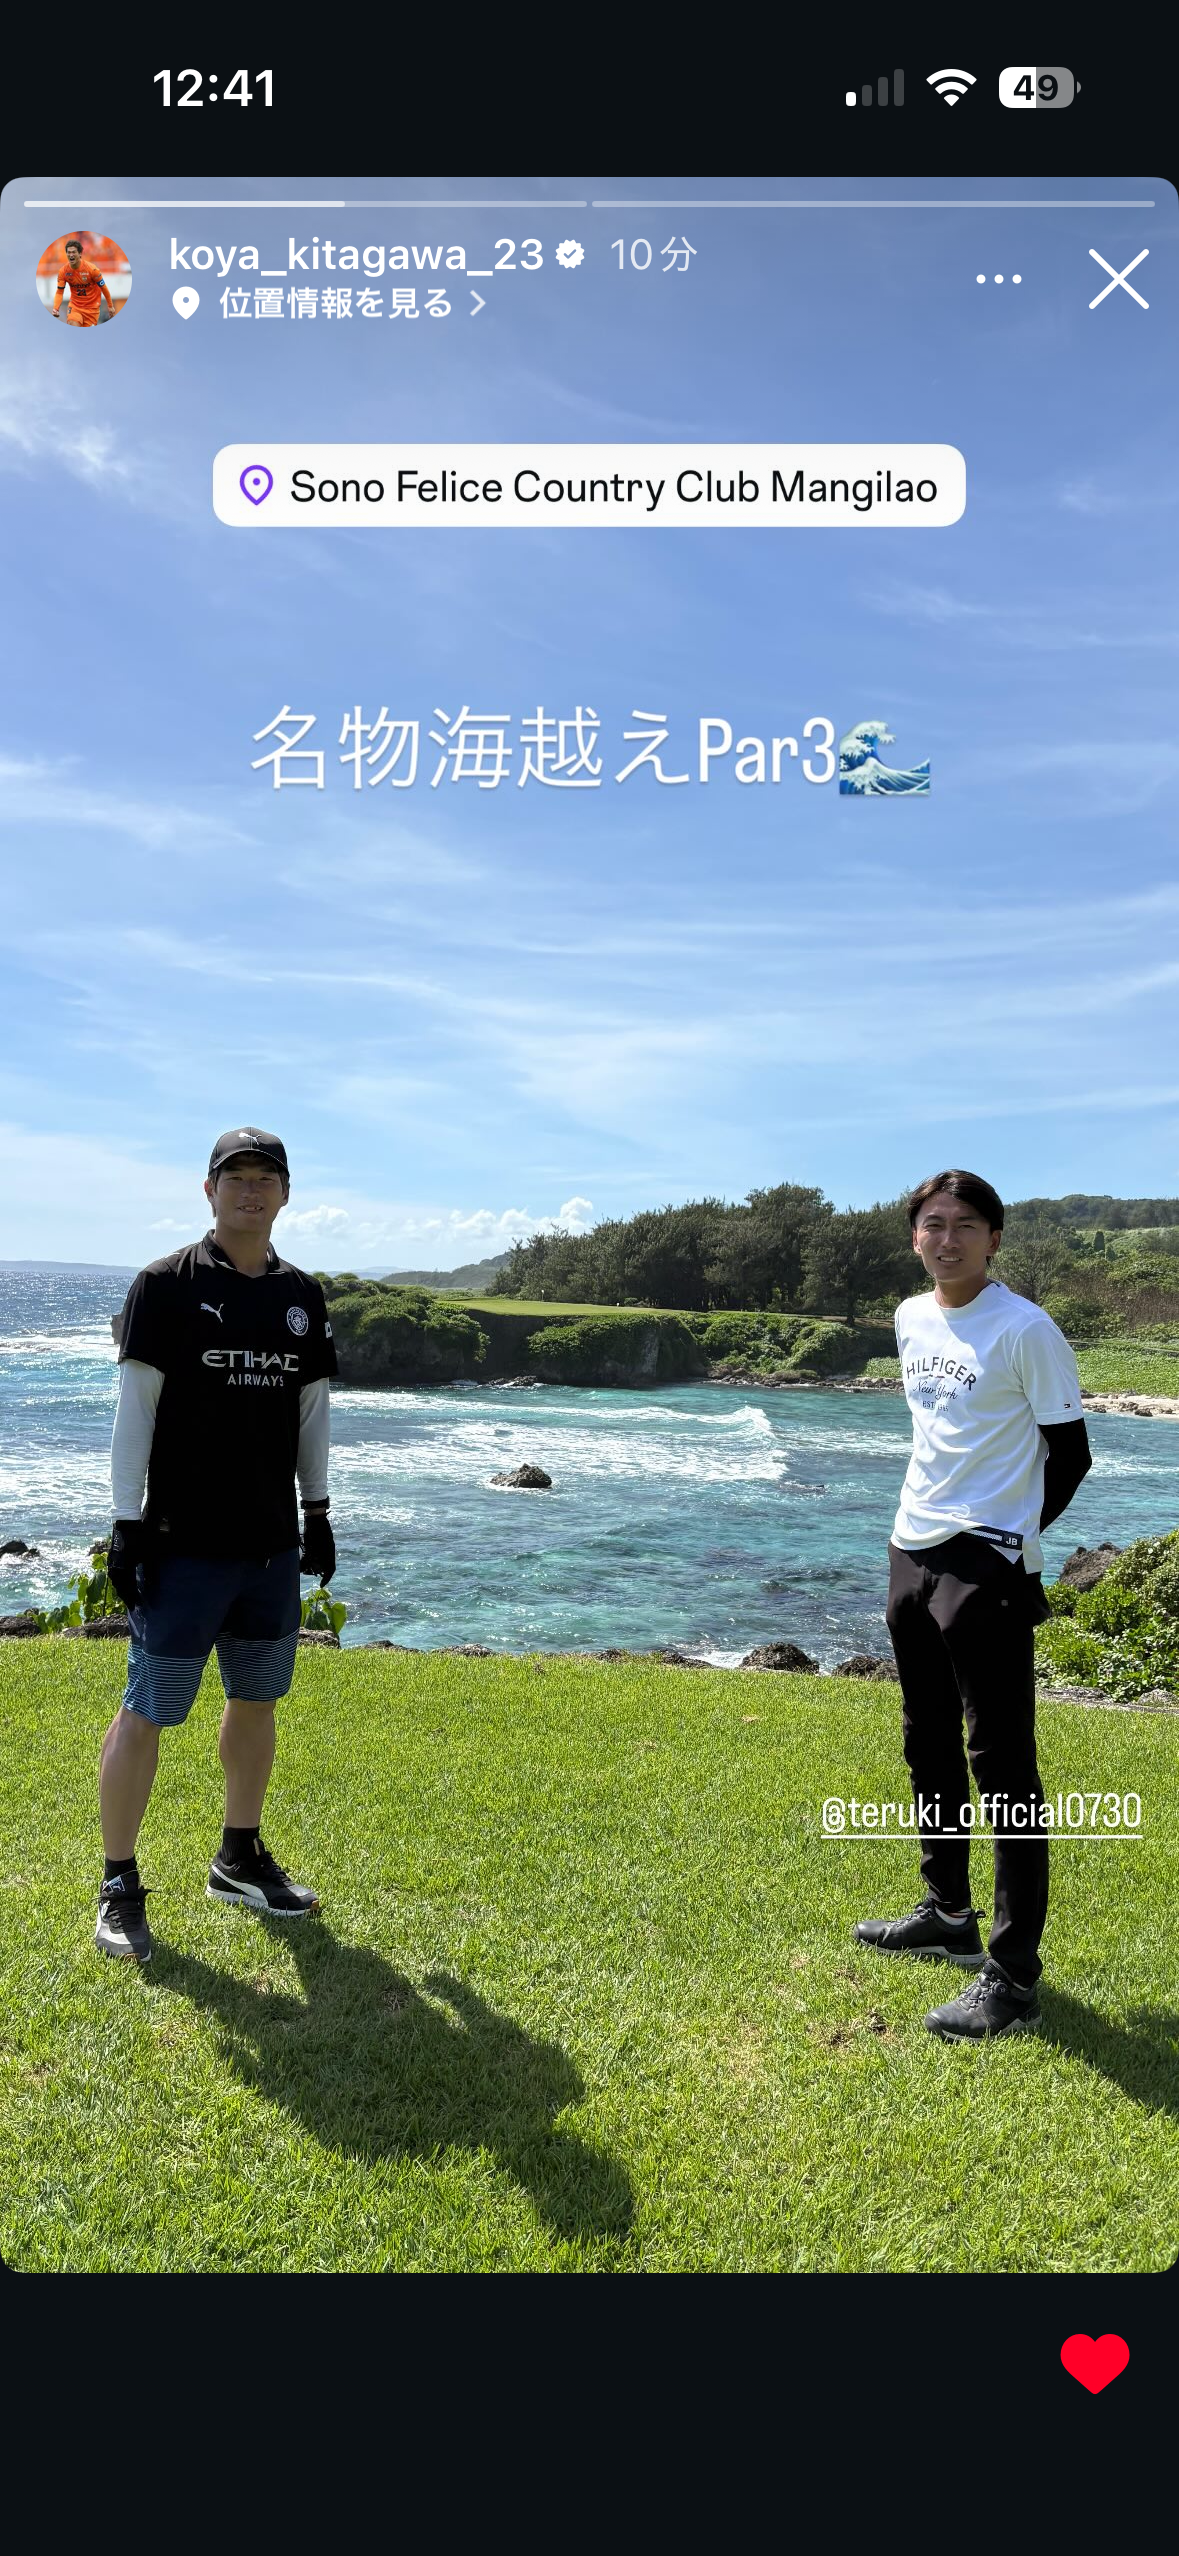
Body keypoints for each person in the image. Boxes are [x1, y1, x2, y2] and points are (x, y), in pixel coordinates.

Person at [855, 1170, 1092, 2040]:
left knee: (1002, 1766)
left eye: (963, 1225)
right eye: (931, 1224)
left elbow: (1070, 1455)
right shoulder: (909, 1317)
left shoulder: (1025, 1329)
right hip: (909, 1545)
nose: (945, 1239)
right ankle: (946, 1912)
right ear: (913, 1236)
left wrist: (1006, 1538)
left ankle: (1012, 1975)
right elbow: (939, 1433)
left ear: (993, 1239)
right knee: (925, 1737)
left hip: (982, 1559)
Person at [95, 1129, 339, 1965]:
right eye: (236, 1177)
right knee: (149, 1710)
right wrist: (126, 1522)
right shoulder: (166, 1285)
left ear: (285, 1193)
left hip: (268, 1547)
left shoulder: (302, 1294)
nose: (251, 1190)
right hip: (182, 1546)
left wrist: (318, 1511)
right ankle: (118, 1881)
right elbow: (136, 1410)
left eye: (266, 1177)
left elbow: (311, 1413)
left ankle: (238, 1857)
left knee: (256, 1699)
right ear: (209, 1190)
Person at [52, 238, 114, 327]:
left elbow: (103, 288)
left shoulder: (92, 269)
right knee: (73, 323)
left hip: (92, 309)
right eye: (69, 252)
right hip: (75, 306)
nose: (71, 255)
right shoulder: (63, 271)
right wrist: (56, 308)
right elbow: (59, 292)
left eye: (74, 252)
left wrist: (110, 306)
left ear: (80, 254)